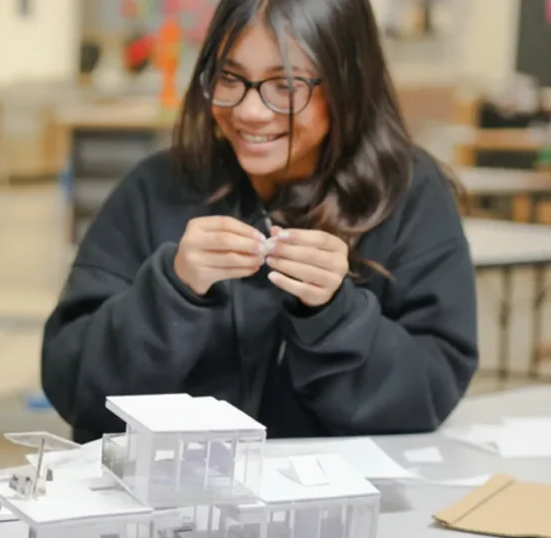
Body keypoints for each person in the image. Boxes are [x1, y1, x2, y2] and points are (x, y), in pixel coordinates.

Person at [41, 0, 478, 444]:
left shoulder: (408, 192)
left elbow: (432, 390)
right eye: (230, 78)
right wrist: (172, 292)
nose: (250, 111)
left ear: (349, 81)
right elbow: (71, 382)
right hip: (172, 483)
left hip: (340, 485)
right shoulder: (157, 188)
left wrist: (334, 316)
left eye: (286, 85)